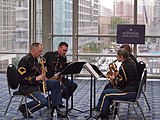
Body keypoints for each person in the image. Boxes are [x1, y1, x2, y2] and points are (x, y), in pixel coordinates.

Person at [17, 42, 63, 118]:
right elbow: (20, 79)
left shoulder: (35, 59)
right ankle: (24, 107)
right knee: (43, 102)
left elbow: (35, 72)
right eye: (40, 51)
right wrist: (36, 78)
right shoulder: (24, 61)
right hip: (27, 87)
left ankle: (55, 109)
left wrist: (42, 73)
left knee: (56, 83)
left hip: (37, 84)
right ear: (34, 50)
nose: (41, 53)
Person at [95, 48, 139, 119]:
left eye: (117, 56)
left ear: (121, 57)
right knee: (107, 89)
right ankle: (104, 111)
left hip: (128, 92)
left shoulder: (124, 67)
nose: (116, 57)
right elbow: (126, 78)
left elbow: (122, 83)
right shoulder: (131, 62)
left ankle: (103, 115)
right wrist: (117, 78)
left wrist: (114, 79)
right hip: (132, 88)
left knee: (106, 94)